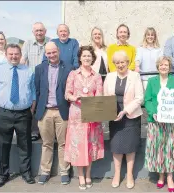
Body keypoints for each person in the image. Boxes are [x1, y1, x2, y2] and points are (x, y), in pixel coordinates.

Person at [0, 44, 36, 187]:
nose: (14, 56)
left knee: (25, 144)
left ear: (21, 55)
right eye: (11, 54)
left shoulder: (28, 71)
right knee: (2, 145)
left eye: (16, 54)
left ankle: (26, 173)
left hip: (23, 114)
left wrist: (31, 109)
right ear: (6, 55)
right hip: (3, 113)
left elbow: (33, 92)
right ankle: (3, 174)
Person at [64, 45, 105, 190]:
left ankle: (88, 174)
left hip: (92, 114)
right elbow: (67, 94)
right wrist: (75, 97)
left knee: (90, 145)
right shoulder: (73, 74)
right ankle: (80, 175)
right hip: (76, 115)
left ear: (92, 58)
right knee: (78, 146)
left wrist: (94, 102)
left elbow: (100, 94)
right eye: (84, 56)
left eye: (89, 56)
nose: (87, 58)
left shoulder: (97, 76)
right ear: (80, 58)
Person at [34, 42, 74, 185]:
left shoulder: (69, 68)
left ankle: (64, 171)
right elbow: (37, 91)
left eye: (53, 52)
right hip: (45, 112)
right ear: (45, 54)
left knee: (63, 143)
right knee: (47, 143)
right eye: (48, 53)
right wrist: (37, 110)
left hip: (62, 111)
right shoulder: (39, 69)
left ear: (58, 51)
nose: (51, 55)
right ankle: (45, 171)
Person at [103, 50, 144, 189]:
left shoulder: (135, 76)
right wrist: (110, 111)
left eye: (123, 62)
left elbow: (139, 97)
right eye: (117, 62)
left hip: (130, 115)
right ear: (114, 64)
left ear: (127, 62)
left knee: (130, 146)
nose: (120, 65)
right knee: (116, 146)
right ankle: (117, 174)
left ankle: (130, 175)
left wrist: (125, 111)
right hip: (114, 117)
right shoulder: (109, 76)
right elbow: (105, 96)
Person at [144, 56, 174, 193]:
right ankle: (161, 176)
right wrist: (153, 113)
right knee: (158, 149)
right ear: (158, 67)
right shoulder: (152, 81)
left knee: (171, 148)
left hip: (171, 122)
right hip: (155, 121)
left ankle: (170, 177)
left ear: (170, 67)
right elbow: (147, 99)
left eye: (166, 65)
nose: (163, 67)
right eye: (161, 65)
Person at [21, 22, 51, 141]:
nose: (39, 33)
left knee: (46, 105)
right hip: (32, 78)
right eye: (36, 31)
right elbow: (23, 59)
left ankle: (47, 132)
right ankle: (34, 131)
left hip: (47, 78)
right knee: (33, 103)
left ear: (45, 31)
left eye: (41, 30)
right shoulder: (27, 43)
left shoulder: (50, 42)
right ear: (33, 32)